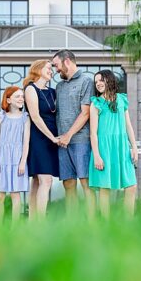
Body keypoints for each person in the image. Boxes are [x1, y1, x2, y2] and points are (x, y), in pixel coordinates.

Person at [52, 49, 96, 219]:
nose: (56, 70)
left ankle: (92, 225)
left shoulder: (87, 81)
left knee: (86, 183)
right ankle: (73, 224)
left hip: (81, 140)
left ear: (67, 61)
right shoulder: (59, 86)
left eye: (57, 65)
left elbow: (85, 113)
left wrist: (69, 135)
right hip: (62, 143)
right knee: (68, 183)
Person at [89, 69, 139, 216]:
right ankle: (107, 225)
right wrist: (97, 155)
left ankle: (128, 222)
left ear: (109, 80)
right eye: (96, 81)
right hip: (104, 148)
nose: (98, 83)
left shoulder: (122, 99)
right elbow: (93, 133)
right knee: (105, 188)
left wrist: (134, 147)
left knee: (131, 186)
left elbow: (128, 126)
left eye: (101, 80)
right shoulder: (96, 103)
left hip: (122, 146)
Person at [23, 59, 60, 219]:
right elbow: (36, 117)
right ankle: (41, 221)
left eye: (52, 69)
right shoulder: (30, 89)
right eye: (48, 68)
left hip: (52, 137)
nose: (51, 71)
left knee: (38, 181)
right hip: (39, 138)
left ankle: (32, 221)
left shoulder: (52, 92)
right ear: (38, 70)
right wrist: (52, 137)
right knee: (46, 180)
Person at [0, 85, 30, 219]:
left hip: (17, 159)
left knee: (15, 194)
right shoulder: (1, 117)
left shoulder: (25, 117)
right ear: (8, 100)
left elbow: (26, 142)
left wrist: (23, 162)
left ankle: (15, 229)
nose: (21, 99)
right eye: (17, 96)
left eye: (22, 96)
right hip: (2, 159)